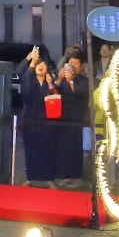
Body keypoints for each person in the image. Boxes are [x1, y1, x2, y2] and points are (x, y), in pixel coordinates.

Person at [17, 46, 58, 186]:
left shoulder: (49, 82)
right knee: (31, 148)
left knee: (48, 149)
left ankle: (49, 179)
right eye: (38, 64)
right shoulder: (29, 79)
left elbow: (55, 97)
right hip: (30, 117)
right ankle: (30, 178)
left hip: (46, 120)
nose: (41, 66)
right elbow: (19, 72)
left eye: (43, 64)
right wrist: (30, 60)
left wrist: (50, 84)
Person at [54, 50, 89, 188]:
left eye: (76, 63)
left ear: (81, 65)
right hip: (63, 116)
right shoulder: (63, 79)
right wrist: (59, 78)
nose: (72, 65)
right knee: (64, 148)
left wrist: (70, 80)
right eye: (70, 63)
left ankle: (77, 177)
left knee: (75, 147)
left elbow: (79, 93)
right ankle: (67, 176)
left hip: (76, 118)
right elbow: (54, 91)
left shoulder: (83, 80)